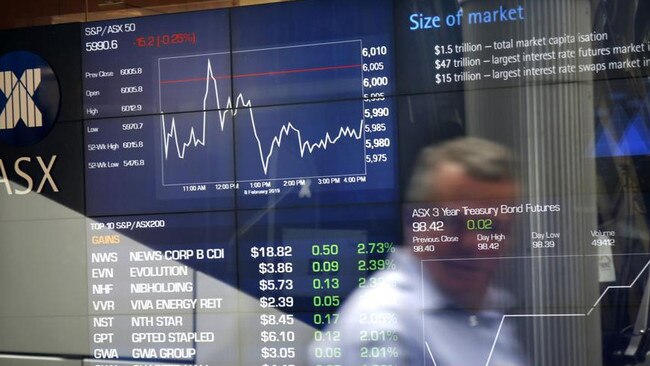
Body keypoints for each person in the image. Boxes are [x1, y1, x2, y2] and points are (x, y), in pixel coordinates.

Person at [309, 137, 529, 366]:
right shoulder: (384, 329)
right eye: (452, 221)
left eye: (490, 227)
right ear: (413, 221)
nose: (471, 243)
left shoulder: (483, 309)